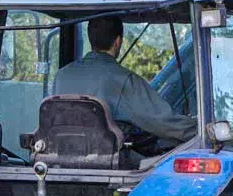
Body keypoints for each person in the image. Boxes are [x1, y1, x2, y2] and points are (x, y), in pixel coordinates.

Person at [53, 16, 197, 144]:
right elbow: (164, 123)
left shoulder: (61, 75)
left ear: (91, 39)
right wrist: (202, 129)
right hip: (108, 164)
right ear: (118, 41)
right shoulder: (124, 80)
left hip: (60, 159)